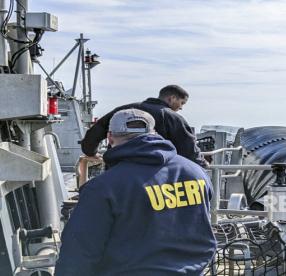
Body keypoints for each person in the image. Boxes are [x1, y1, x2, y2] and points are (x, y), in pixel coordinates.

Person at [55, 109, 217, 276]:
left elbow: (79, 253)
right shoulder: (196, 173)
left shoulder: (103, 188)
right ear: (154, 133)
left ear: (110, 137)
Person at [81, 84, 207, 167]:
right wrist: (202, 165)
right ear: (172, 98)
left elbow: (97, 130)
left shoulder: (124, 110)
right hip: (155, 175)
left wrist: (90, 152)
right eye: (181, 103)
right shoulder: (173, 118)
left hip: (118, 170)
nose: (181, 107)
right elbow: (188, 147)